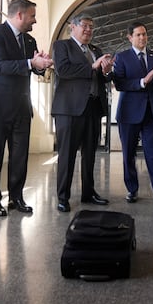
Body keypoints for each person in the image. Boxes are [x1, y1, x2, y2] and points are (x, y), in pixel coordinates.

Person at [0, 0, 54, 217]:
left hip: (21, 106)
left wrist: (40, 65)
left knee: (20, 156)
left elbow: (33, 69)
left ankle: (16, 198)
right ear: (19, 15)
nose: (35, 21)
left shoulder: (29, 41)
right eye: (32, 16)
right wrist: (31, 63)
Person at [110, 21, 153, 204]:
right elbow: (119, 84)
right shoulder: (122, 57)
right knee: (129, 154)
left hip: (150, 112)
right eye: (138, 35)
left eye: (144, 34)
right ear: (130, 37)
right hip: (128, 113)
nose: (142, 38)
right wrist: (142, 82)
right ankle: (132, 190)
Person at [51, 14, 114, 212]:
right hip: (69, 109)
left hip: (93, 108)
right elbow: (63, 70)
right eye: (85, 26)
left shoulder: (96, 50)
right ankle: (63, 197)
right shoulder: (62, 46)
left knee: (90, 155)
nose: (88, 30)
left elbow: (102, 78)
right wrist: (92, 66)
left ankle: (88, 192)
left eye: (91, 27)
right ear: (73, 27)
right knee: (67, 155)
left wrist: (106, 72)